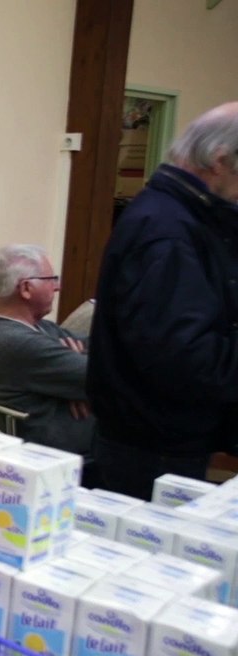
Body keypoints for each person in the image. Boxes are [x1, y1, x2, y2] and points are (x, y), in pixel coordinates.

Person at [88, 102, 238, 500]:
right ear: (221, 161)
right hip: (156, 445)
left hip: (160, 434)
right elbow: (181, 357)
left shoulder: (183, 219)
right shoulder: (168, 231)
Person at [0, 245, 93, 456]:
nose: (57, 287)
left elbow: (93, 348)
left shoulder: (38, 326)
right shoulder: (14, 340)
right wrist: (79, 383)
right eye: (51, 279)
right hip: (59, 461)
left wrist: (75, 379)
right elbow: (104, 378)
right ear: (26, 288)